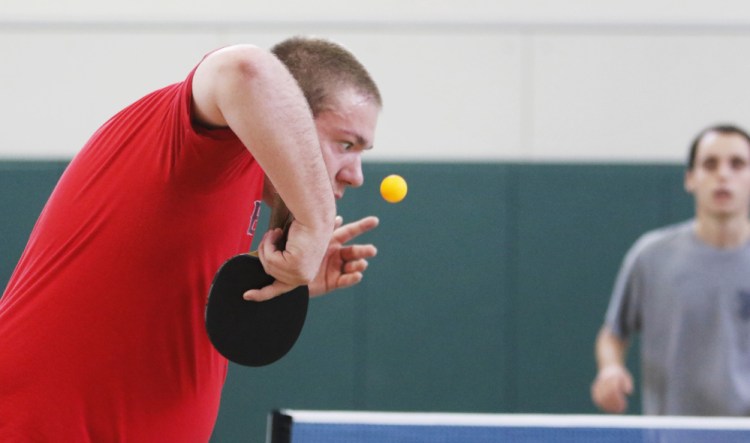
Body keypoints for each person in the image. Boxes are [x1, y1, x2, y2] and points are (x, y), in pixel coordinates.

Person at [0, 36, 382, 441]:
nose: (355, 174)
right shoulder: (204, 144)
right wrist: (316, 221)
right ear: (295, 115)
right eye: (345, 144)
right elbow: (245, 69)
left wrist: (274, 277)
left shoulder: (246, 190)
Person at [591, 124, 750, 416]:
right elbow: (613, 333)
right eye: (710, 164)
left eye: (737, 164)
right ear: (691, 179)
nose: (723, 175)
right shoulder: (650, 256)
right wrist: (610, 369)